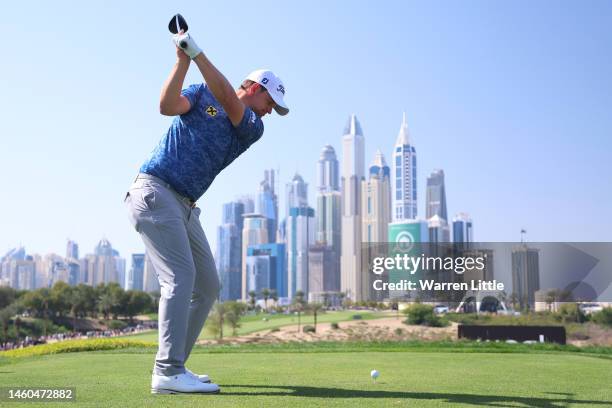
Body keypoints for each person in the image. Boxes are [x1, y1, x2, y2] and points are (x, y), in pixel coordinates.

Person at [124, 29, 289, 395]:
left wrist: (196, 53)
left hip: (184, 206)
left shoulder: (251, 126)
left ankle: (176, 365)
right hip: (155, 191)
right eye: (270, 103)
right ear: (256, 87)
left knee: (208, 285)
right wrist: (183, 61)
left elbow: (229, 99)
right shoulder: (200, 93)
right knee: (180, 278)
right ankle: (166, 372)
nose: (270, 113)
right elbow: (166, 106)